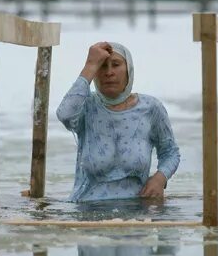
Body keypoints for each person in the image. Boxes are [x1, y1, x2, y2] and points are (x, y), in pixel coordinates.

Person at [56, 41, 180, 203]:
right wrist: (90, 65)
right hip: (88, 210)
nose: (109, 72)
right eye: (102, 66)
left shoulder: (150, 108)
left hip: (137, 209)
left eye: (116, 65)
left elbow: (170, 152)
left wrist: (160, 178)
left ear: (129, 70)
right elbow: (64, 114)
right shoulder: (86, 106)